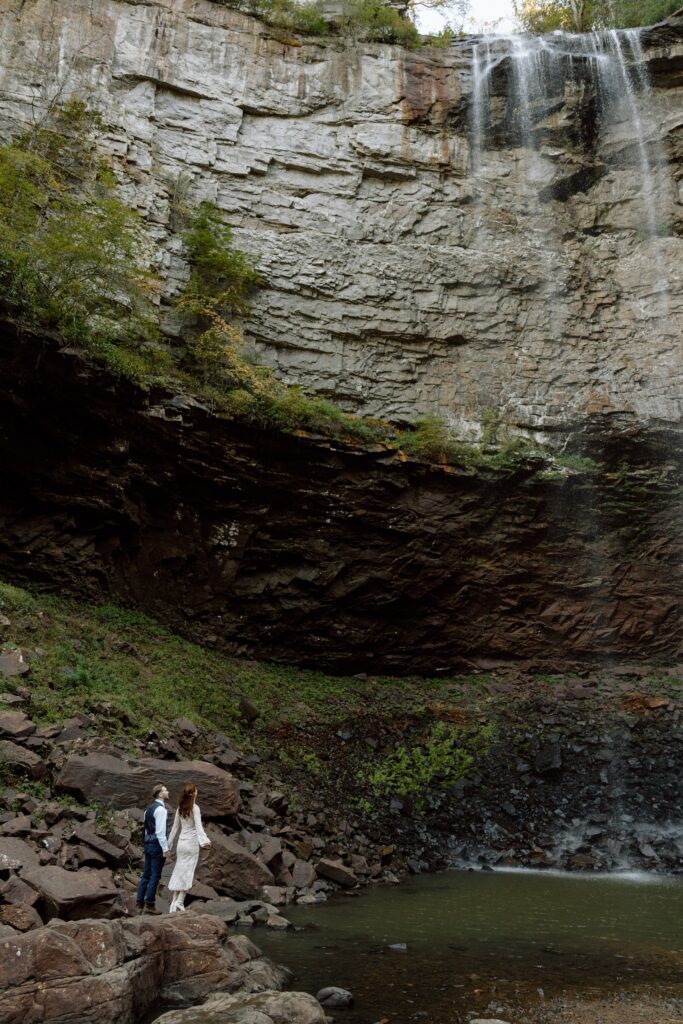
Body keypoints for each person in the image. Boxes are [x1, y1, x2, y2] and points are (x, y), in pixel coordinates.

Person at [167, 782, 211, 913]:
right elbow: (198, 826)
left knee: (179, 870)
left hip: (181, 844)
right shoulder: (195, 808)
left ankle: (173, 903)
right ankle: (180, 902)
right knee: (188, 872)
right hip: (191, 844)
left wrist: (168, 845)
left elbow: (175, 828)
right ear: (194, 793)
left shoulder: (180, 808)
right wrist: (204, 841)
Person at [136, 783, 172, 914]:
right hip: (157, 845)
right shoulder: (161, 810)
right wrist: (165, 849)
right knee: (155, 875)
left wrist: (146, 843)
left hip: (148, 844)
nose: (168, 791)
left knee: (146, 874)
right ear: (160, 794)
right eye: (165, 790)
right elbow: (161, 833)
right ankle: (150, 905)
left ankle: (139, 903)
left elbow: (146, 830)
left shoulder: (148, 809)